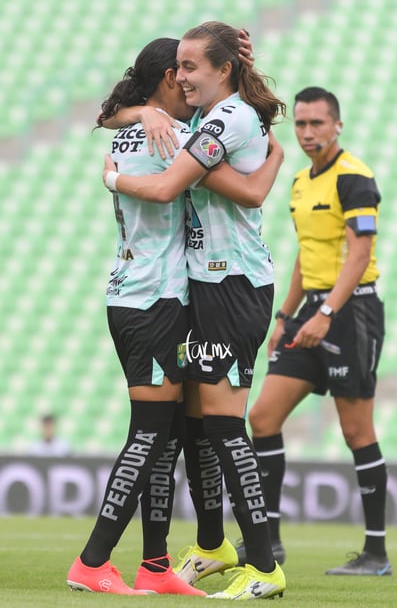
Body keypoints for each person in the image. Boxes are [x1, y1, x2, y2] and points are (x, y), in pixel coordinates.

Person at [67, 35, 284, 596]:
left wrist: (139, 116)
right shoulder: (174, 134)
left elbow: (121, 118)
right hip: (161, 298)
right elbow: (171, 187)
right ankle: (100, 562)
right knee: (167, 432)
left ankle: (164, 564)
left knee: (187, 429)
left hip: (190, 294)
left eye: (196, 67)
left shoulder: (182, 128)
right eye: (180, 70)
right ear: (167, 79)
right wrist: (266, 166)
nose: (187, 80)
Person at [236, 86, 392, 577]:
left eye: (316, 124)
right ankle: (271, 543)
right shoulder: (301, 181)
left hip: (353, 313)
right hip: (312, 311)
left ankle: (376, 553)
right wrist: (285, 317)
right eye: (300, 124)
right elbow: (308, 253)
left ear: (337, 125)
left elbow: (360, 254)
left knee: (355, 430)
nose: (307, 133)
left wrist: (326, 313)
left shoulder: (355, 178)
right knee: (262, 417)